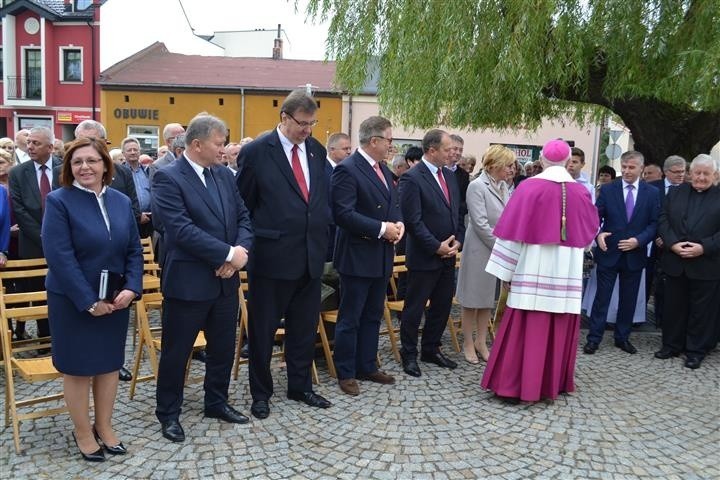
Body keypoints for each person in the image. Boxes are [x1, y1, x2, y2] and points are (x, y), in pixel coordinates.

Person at [151, 114, 253, 442]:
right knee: (177, 352)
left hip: (224, 281)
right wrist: (227, 254)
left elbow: (243, 218)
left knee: (223, 347)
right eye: (219, 144)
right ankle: (168, 412)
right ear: (197, 145)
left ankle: (216, 401)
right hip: (189, 283)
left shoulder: (224, 175)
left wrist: (239, 255)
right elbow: (180, 230)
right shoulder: (168, 178)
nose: (223, 150)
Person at [41, 137, 143, 461]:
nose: (85, 167)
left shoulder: (121, 201)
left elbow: (133, 250)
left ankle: (105, 425)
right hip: (73, 301)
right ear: (69, 168)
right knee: (78, 368)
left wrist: (132, 287)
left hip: (115, 299)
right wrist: (88, 301)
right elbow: (60, 256)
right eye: (77, 162)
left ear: (105, 165)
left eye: (92, 161)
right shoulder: (59, 202)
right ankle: (83, 432)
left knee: (109, 365)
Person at [237, 89, 332, 419]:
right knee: (263, 332)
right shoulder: (257, 152)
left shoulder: (317, 152)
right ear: (284, 118)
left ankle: (300, 385)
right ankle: (261, 393)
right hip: (271, 258)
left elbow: (320, 200)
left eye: (312, 123)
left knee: (304, 328)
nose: (307, 130)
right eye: (302, 123)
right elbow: (243, 206)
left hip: (310, 256)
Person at [481, 139, 598, 401]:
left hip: (531, 269)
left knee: (525, 326)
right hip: (566, 274)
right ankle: (551, 384)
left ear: (543, 160)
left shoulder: (528, 188)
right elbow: (589, 238)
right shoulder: (581, 192)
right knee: (558, 324)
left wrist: (507, 272)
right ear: (569, 162)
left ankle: (514, 386)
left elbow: (511, 234)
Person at [330, 116, 403, 396]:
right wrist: (382, 228)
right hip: (357, 255)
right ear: (374, 141)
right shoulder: (348, 169)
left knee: (373, 314)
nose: (391, 146)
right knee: (351, 316)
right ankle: (346, 371)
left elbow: (392, 205)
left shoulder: (382, 169)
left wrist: (398, 226)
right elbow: (343, 214)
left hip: (381, 254)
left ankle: (367, 364)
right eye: (389, 140)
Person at [398, 129, 465, 377]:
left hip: (448, 254)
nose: (452, 154)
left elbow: (457, 212)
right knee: (414, 308)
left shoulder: (450, 177)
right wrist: (436, 246)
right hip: (425, 256)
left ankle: (431, 348)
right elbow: (413, 222)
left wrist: (457, 241)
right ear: (432, 150)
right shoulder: (412, 178)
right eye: (448, 149)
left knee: (442, 305)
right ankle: (409, 353)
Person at [584, 151, 660, 355]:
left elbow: (654, 223)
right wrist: (598, 234)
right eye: (624, 167)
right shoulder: (609, 190)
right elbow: (594, 217)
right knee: (602, 298)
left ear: (641, 168)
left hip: (635, 254)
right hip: (609, 252)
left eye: (631, 167)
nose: (626, 171)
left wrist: (639, 240)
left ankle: (622, 337)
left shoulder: (651, 193)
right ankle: (594, 338)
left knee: (629, 299)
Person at [655, 155, 720, 369]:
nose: (701, 177)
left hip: (706, 263)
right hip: (676, 260)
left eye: (706, 173)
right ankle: (671, 345)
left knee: (702, 311)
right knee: (673, 307)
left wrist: (704, 247)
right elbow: (663, 219)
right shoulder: (675, 192)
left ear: (715, 175)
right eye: (697, 173)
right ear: (690, 174)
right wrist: (672, 244)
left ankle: (695, 350)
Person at [455, 145, 514, 364]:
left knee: (487, 300)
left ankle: (481, 341)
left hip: (496, 249)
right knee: (472, 300)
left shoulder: (503, 187)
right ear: (495, 164)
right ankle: (468, 344)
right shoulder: (477, 186)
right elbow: (479, 223)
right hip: (479, 249)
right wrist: (501, 246)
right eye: (507, 165)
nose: (511, 169)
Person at [9, 126, 62, 341]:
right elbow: (19, 210)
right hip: (33, 244)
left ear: (50, 147)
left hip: (64, 243)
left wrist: (59, 238)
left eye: (36, 143)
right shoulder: (18, 173)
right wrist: (43, 236)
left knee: (62, 290)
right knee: (39, 292)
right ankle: (44, 337)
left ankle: (63, 335)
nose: (30, 147)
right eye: (29, 142)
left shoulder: (63, 169)